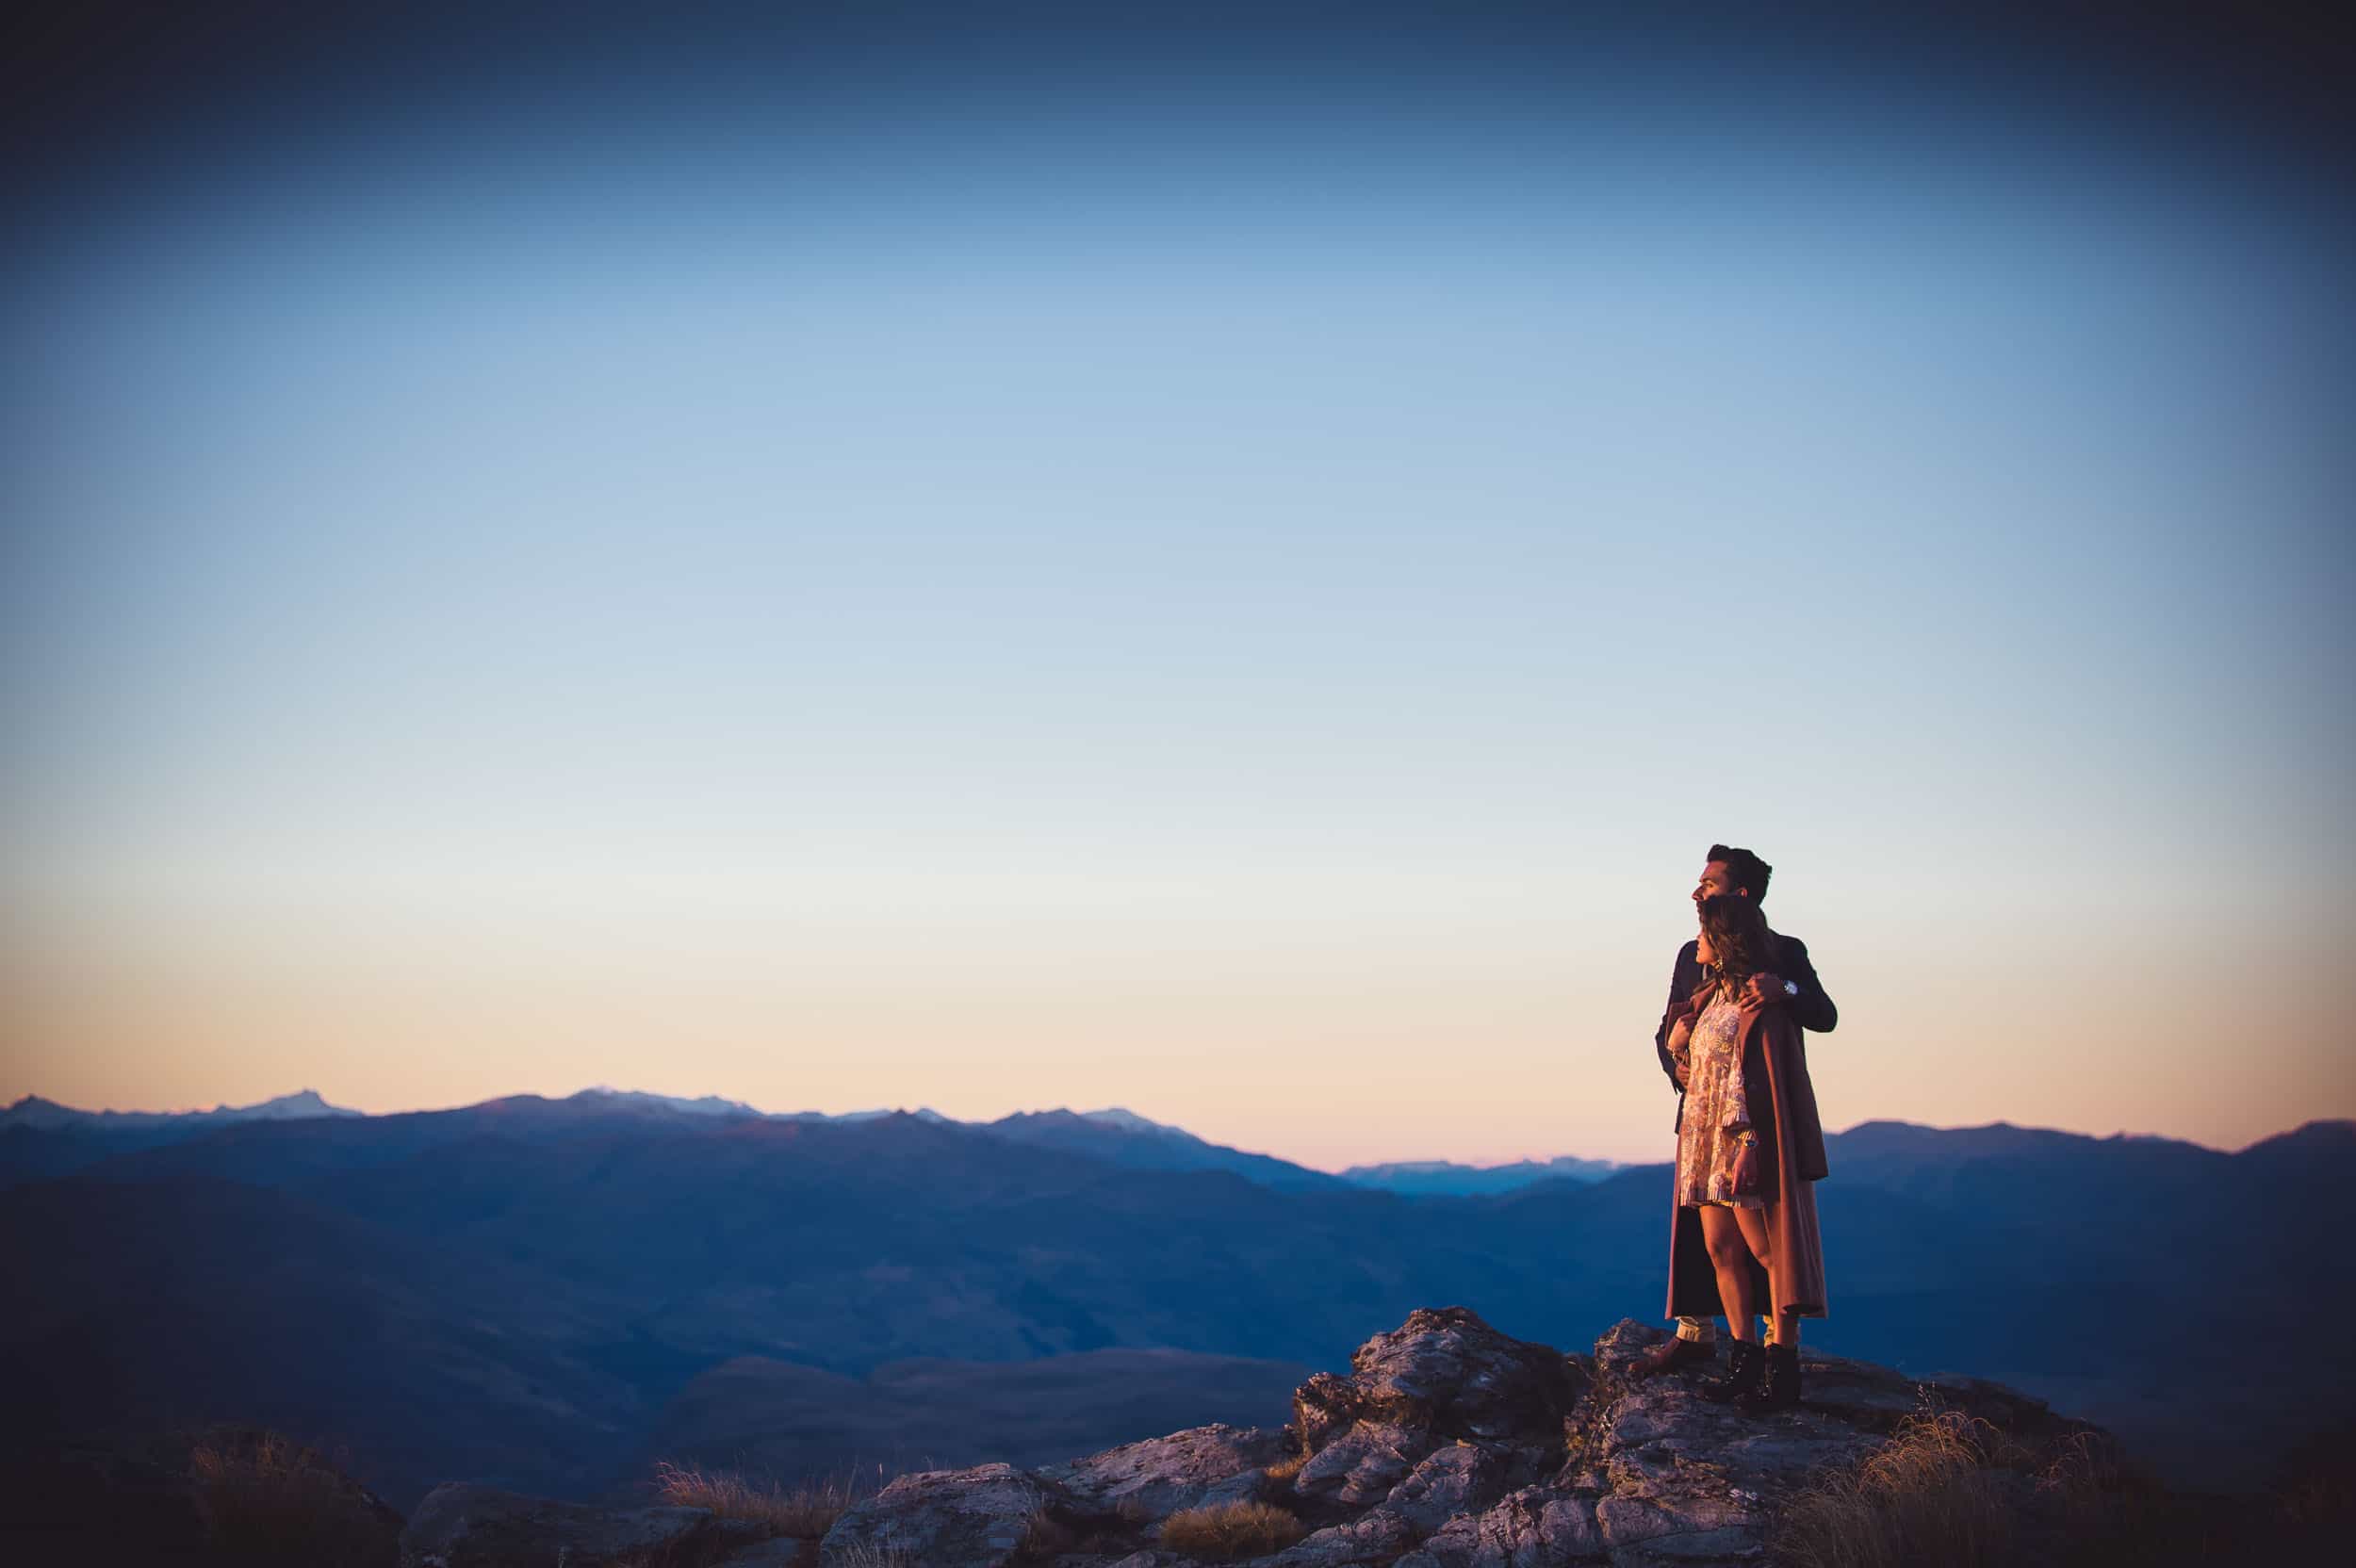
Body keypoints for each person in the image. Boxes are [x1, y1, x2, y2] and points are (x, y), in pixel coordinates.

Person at [1635, 845, 1837, 1381]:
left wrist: (1785, 989)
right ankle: (1704, 1336)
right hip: (1701, 1114)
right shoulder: (1690, 956)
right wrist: (1676, 1064)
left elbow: (1823, 1013)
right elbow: (1671, 1026)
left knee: (1767, 1237)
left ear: (1739, 895)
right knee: (1710, 1239)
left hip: (1754, 1119)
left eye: (1708, 883)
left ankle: (1776, 1350)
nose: (1696, 891)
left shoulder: (1782, 952)